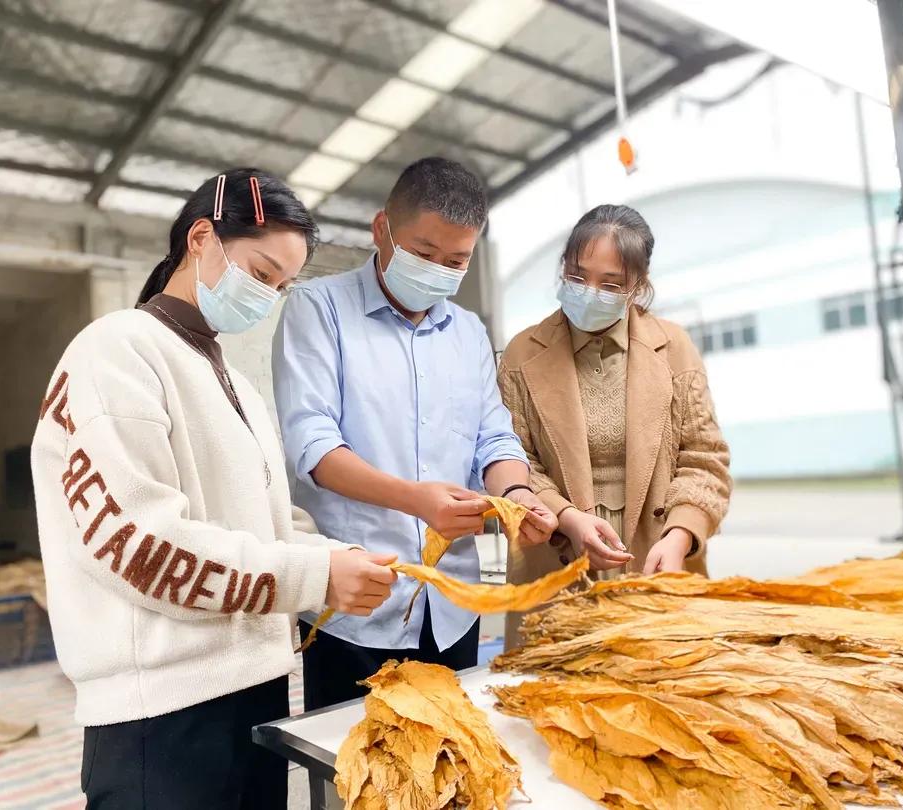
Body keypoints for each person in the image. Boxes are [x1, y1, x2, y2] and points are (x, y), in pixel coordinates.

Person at [30, 169, 396, 810]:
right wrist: (312, 576)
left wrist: (347, 557)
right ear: (202, 238)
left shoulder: (234, 382)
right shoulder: (116, 352)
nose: (268, 295)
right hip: (162, 718)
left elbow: (272, 522)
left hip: (252, 693)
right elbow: (141, 545)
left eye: (281, 286)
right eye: (260, 273)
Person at [273, 157, 558, 712]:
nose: (438, 270)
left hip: (453, 600)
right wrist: (414, 500)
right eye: (424, 254)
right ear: (382, 230)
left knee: (454, 764)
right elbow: (313, 445)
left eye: (456, 260)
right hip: (358, 602)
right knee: (360, 773)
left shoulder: (468, 331)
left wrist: (519, 497)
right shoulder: (318, 308)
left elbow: (493, 439)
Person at [498, 204, 732, 646]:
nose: (590, 292)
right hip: (556, 559)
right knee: (555, 700)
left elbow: (705, 458)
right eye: (578, 275)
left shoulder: (674, 348)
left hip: (655, 558)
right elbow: (513, 460)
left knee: (657, 696)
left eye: (610, 284)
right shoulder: (522, 354)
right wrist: (568, 519)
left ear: (637, 286)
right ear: (564, 268)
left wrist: (681, 536)